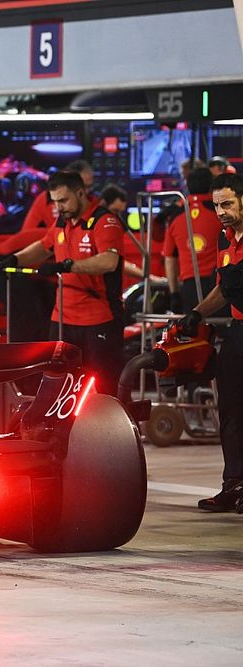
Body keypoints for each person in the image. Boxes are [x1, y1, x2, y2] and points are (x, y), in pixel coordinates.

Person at [0, 171, 125, 396]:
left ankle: (111, 430)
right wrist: (13, 259)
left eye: (63, 200)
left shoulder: (104, 221)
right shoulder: (62, 221)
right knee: (59, 386)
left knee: (104, 387)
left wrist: (68, 266)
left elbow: (109, 262)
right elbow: (44, 246)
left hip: (99, 318)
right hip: (62, 319)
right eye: (55, 202)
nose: (58, 208)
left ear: (81, 193)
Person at [176, 172, 243, 511]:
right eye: (216, 205)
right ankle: (233, 484)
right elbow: (223, 288)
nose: (220, 211)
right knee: (230, 410)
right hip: (238, 330)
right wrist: (197, 314)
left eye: (227, 203)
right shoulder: (222, 239)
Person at [163, 167, 226, 314]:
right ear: (212, 186)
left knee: (194, 335)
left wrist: (174, 295)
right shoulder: (222, 212)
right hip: (219, 287)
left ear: (187, 186)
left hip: (189, 289)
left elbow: (170, 259)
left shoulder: (175, 216)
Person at [21, 159, 99, 231]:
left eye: (90, 187)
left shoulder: (96, 204)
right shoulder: (45, 199)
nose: (87, 192)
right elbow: (26, 233)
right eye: (83, 187)